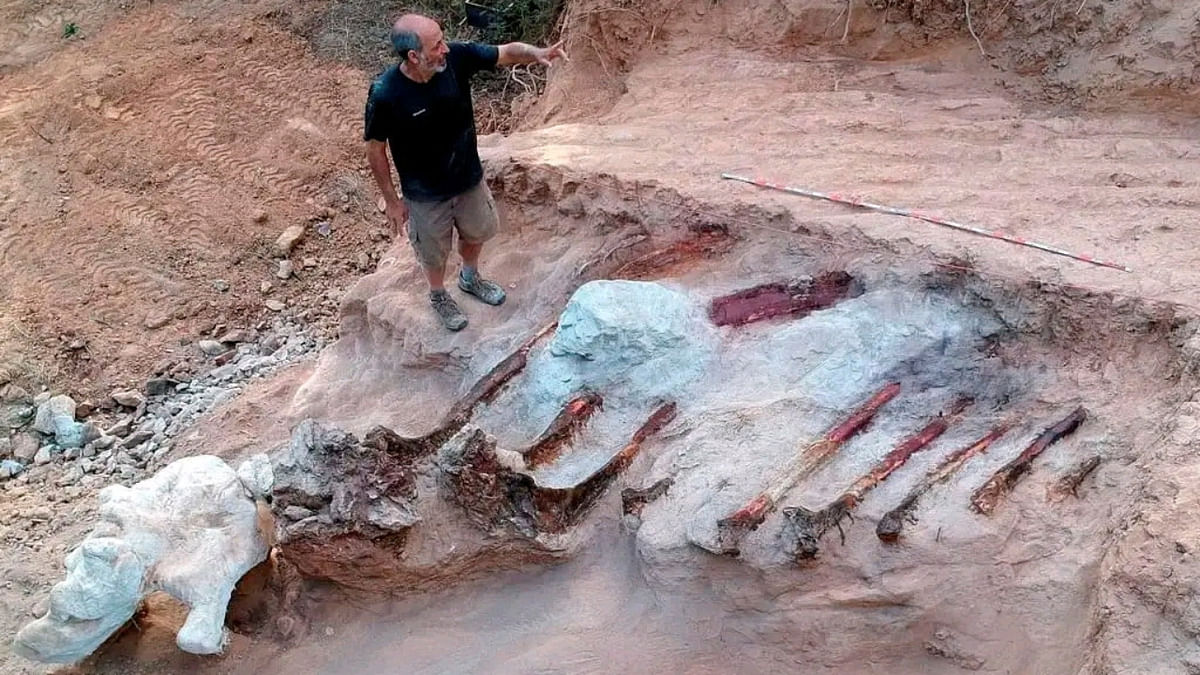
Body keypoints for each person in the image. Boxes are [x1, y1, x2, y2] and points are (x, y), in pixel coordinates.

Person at [364, 13, 568, 331]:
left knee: (477, 232)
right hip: (424, 194)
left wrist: (536, 53)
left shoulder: (456, 58)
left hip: (468, 179)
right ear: (414, 56)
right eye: (437, 45)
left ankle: (469, 277)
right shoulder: (386, 93)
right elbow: (375, 149)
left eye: (443, 40)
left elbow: (504, 52)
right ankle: (438, 295)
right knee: (433, 254)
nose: (445, 48)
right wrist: (392, 200)